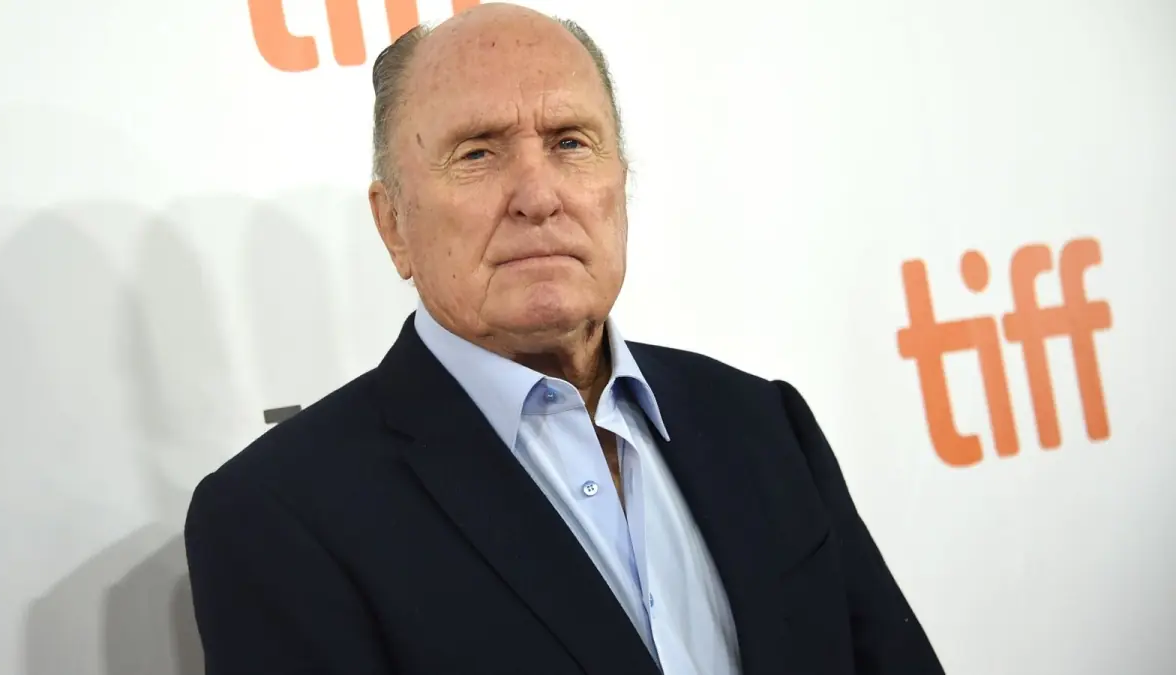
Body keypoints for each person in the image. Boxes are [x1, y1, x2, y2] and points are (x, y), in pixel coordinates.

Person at [183, 3, 945, 673]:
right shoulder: (279, 519)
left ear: (621, 184)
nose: (539, 195)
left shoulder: (764, 424)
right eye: (477, 152)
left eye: (571, 142)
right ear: (394, 225)